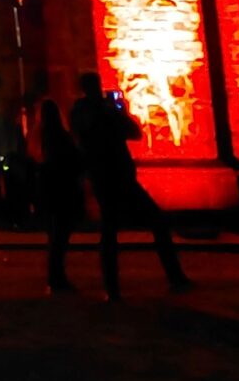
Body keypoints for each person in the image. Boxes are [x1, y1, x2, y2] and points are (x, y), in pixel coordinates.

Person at [68, 70, 191, 298]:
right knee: (112, 230)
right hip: (106, 178)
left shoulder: (103, 111)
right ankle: (113, 287)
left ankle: (174, 276)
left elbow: (134, 133)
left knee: (152, 223)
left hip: (122, 177)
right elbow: (88, 136)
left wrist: (120, 112)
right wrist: (109, 115)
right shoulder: (83, 111)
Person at [24, 96, 85, 294]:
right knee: (60, 237)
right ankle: (57, 278)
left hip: (47, 190)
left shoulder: (37, 138)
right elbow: (73, 161)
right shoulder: (60, 137)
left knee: (54, 236)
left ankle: (55, 276)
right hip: (62, 190)